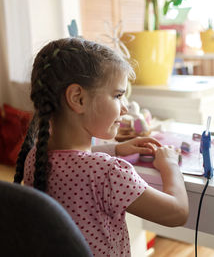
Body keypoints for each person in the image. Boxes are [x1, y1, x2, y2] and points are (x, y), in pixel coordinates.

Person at [13, 38, 189, 256]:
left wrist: (116, 149)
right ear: (78, 99)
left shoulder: (33, 158)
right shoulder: (108, 172)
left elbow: (72, 158)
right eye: (117, 95)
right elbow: (177, 213)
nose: (124, 108)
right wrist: (169, 164)